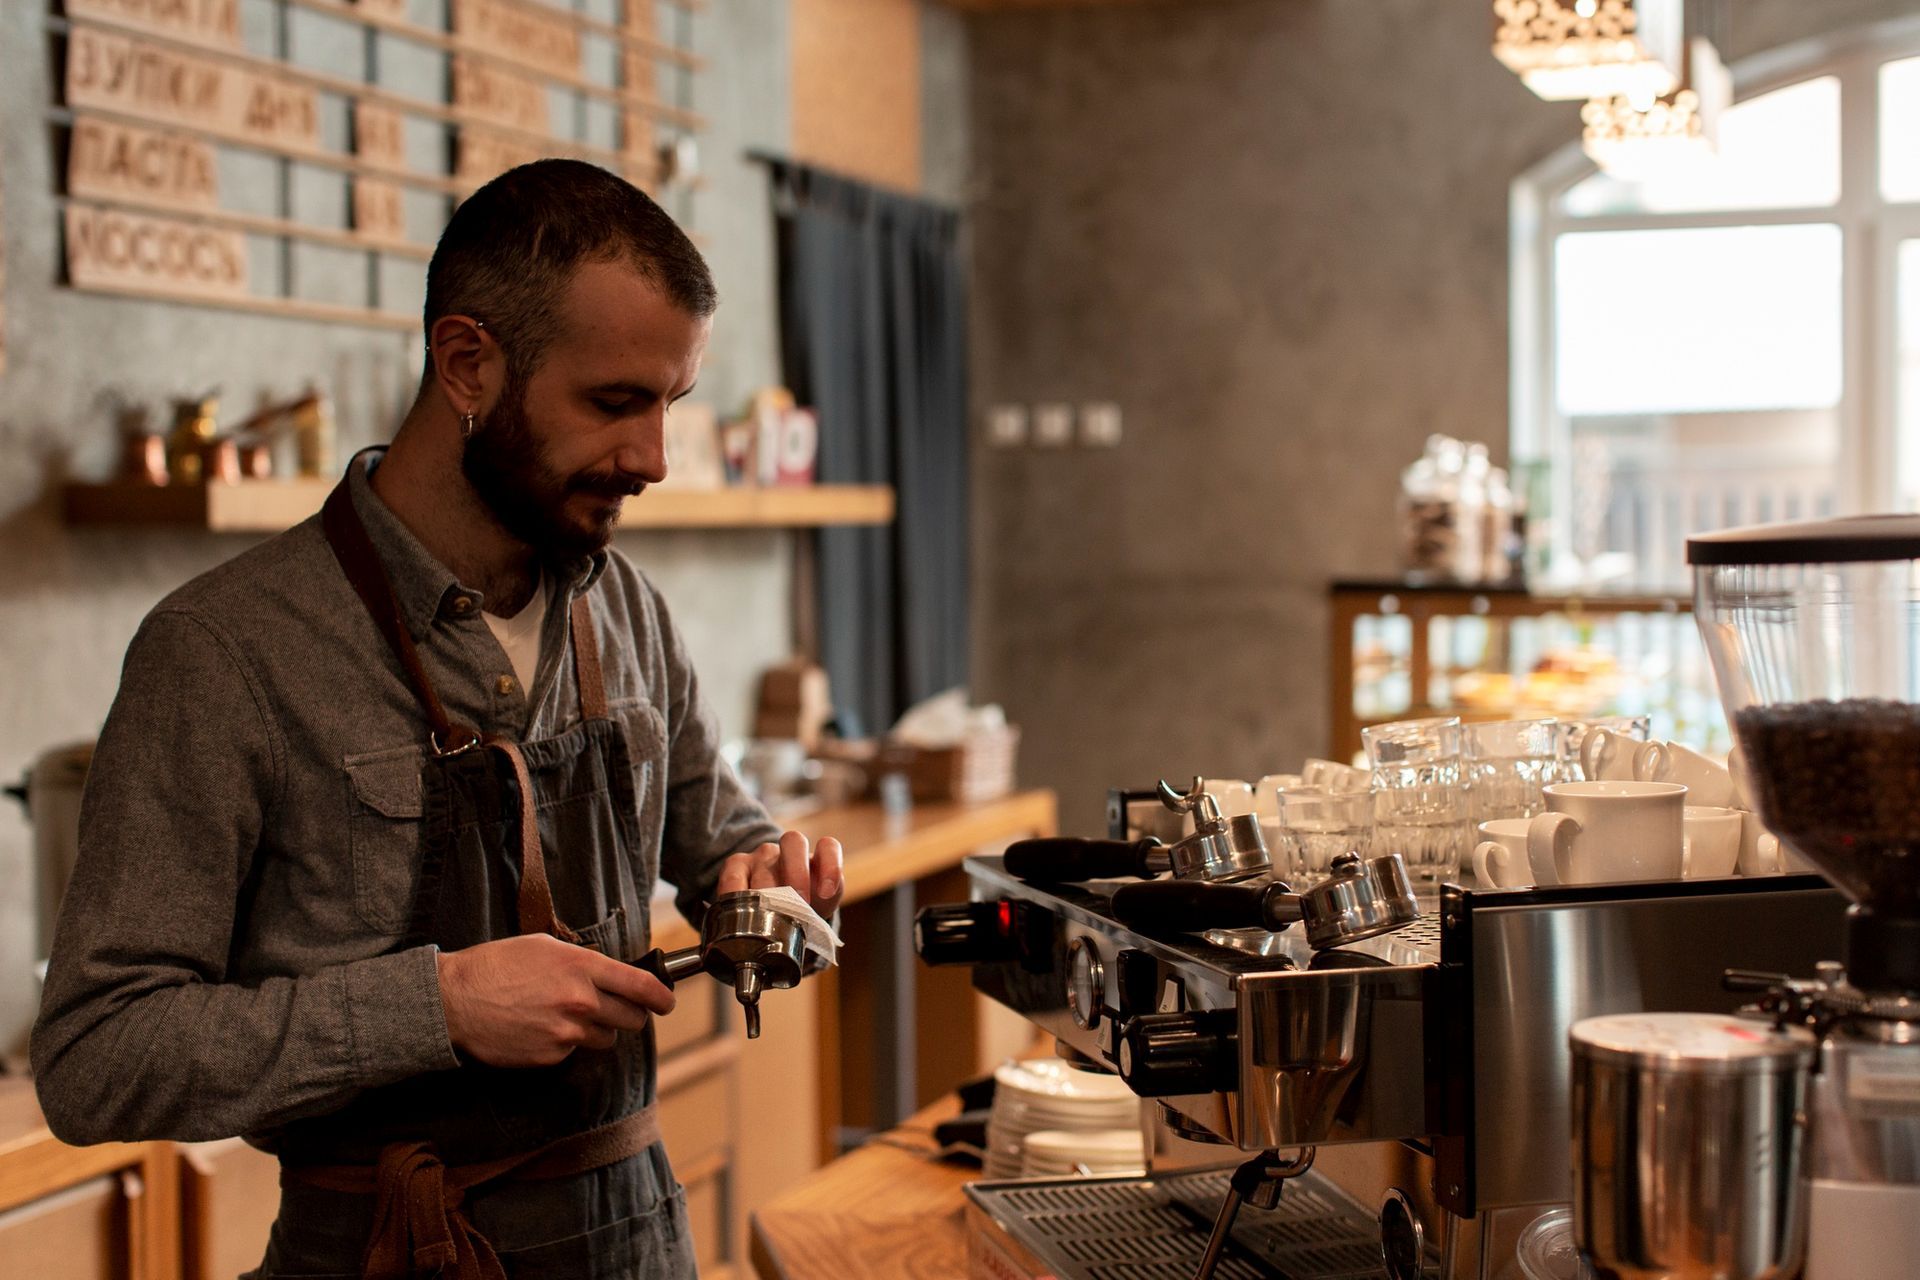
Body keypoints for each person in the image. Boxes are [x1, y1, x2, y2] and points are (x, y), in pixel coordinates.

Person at [31, 159, 841, 1279]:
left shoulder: (630, 609)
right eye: (615, 403)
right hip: (384, 1248)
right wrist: (439, 1004)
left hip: (644, 1243)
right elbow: (96, 1054)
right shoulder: (224, 652)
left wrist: (763, 882)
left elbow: (721, 843)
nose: (654, 459)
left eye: (671, 404)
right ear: (467, 362)